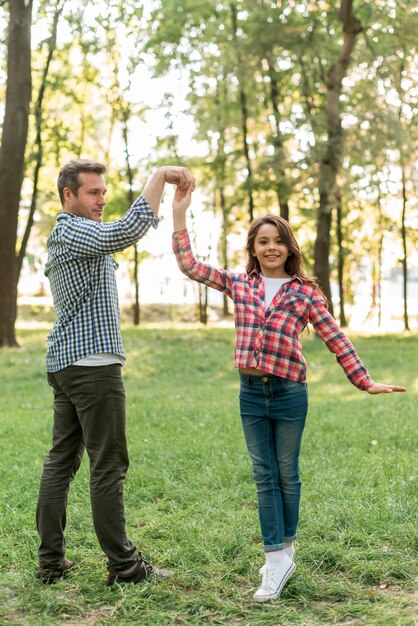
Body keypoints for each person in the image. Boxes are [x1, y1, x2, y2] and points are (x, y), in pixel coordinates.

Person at [171, 186, 406, 603]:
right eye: (263, 241)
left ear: (288, 246)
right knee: (264, 477)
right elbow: (189, 265)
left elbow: (335, 336)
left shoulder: (304, 292)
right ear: (254, 248)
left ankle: (285, 549)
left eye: (278, 240)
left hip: (289, 392)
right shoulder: (240, 284)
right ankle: (275, 558)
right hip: (250, 393)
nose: (272, 247)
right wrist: (180, 213)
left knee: (286, 474)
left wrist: (364, 380)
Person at [36, 158, 195, 586]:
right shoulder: (74, 229)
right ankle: (124, 567)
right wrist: (159, 177)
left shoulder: (70, 235)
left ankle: (51, 561)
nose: (102, 200)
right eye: (92, 192)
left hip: (68, 363)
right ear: (68, 195)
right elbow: (122, 232)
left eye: (103, 192)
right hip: (92, 368)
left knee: (61, 462)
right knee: (108, 465)